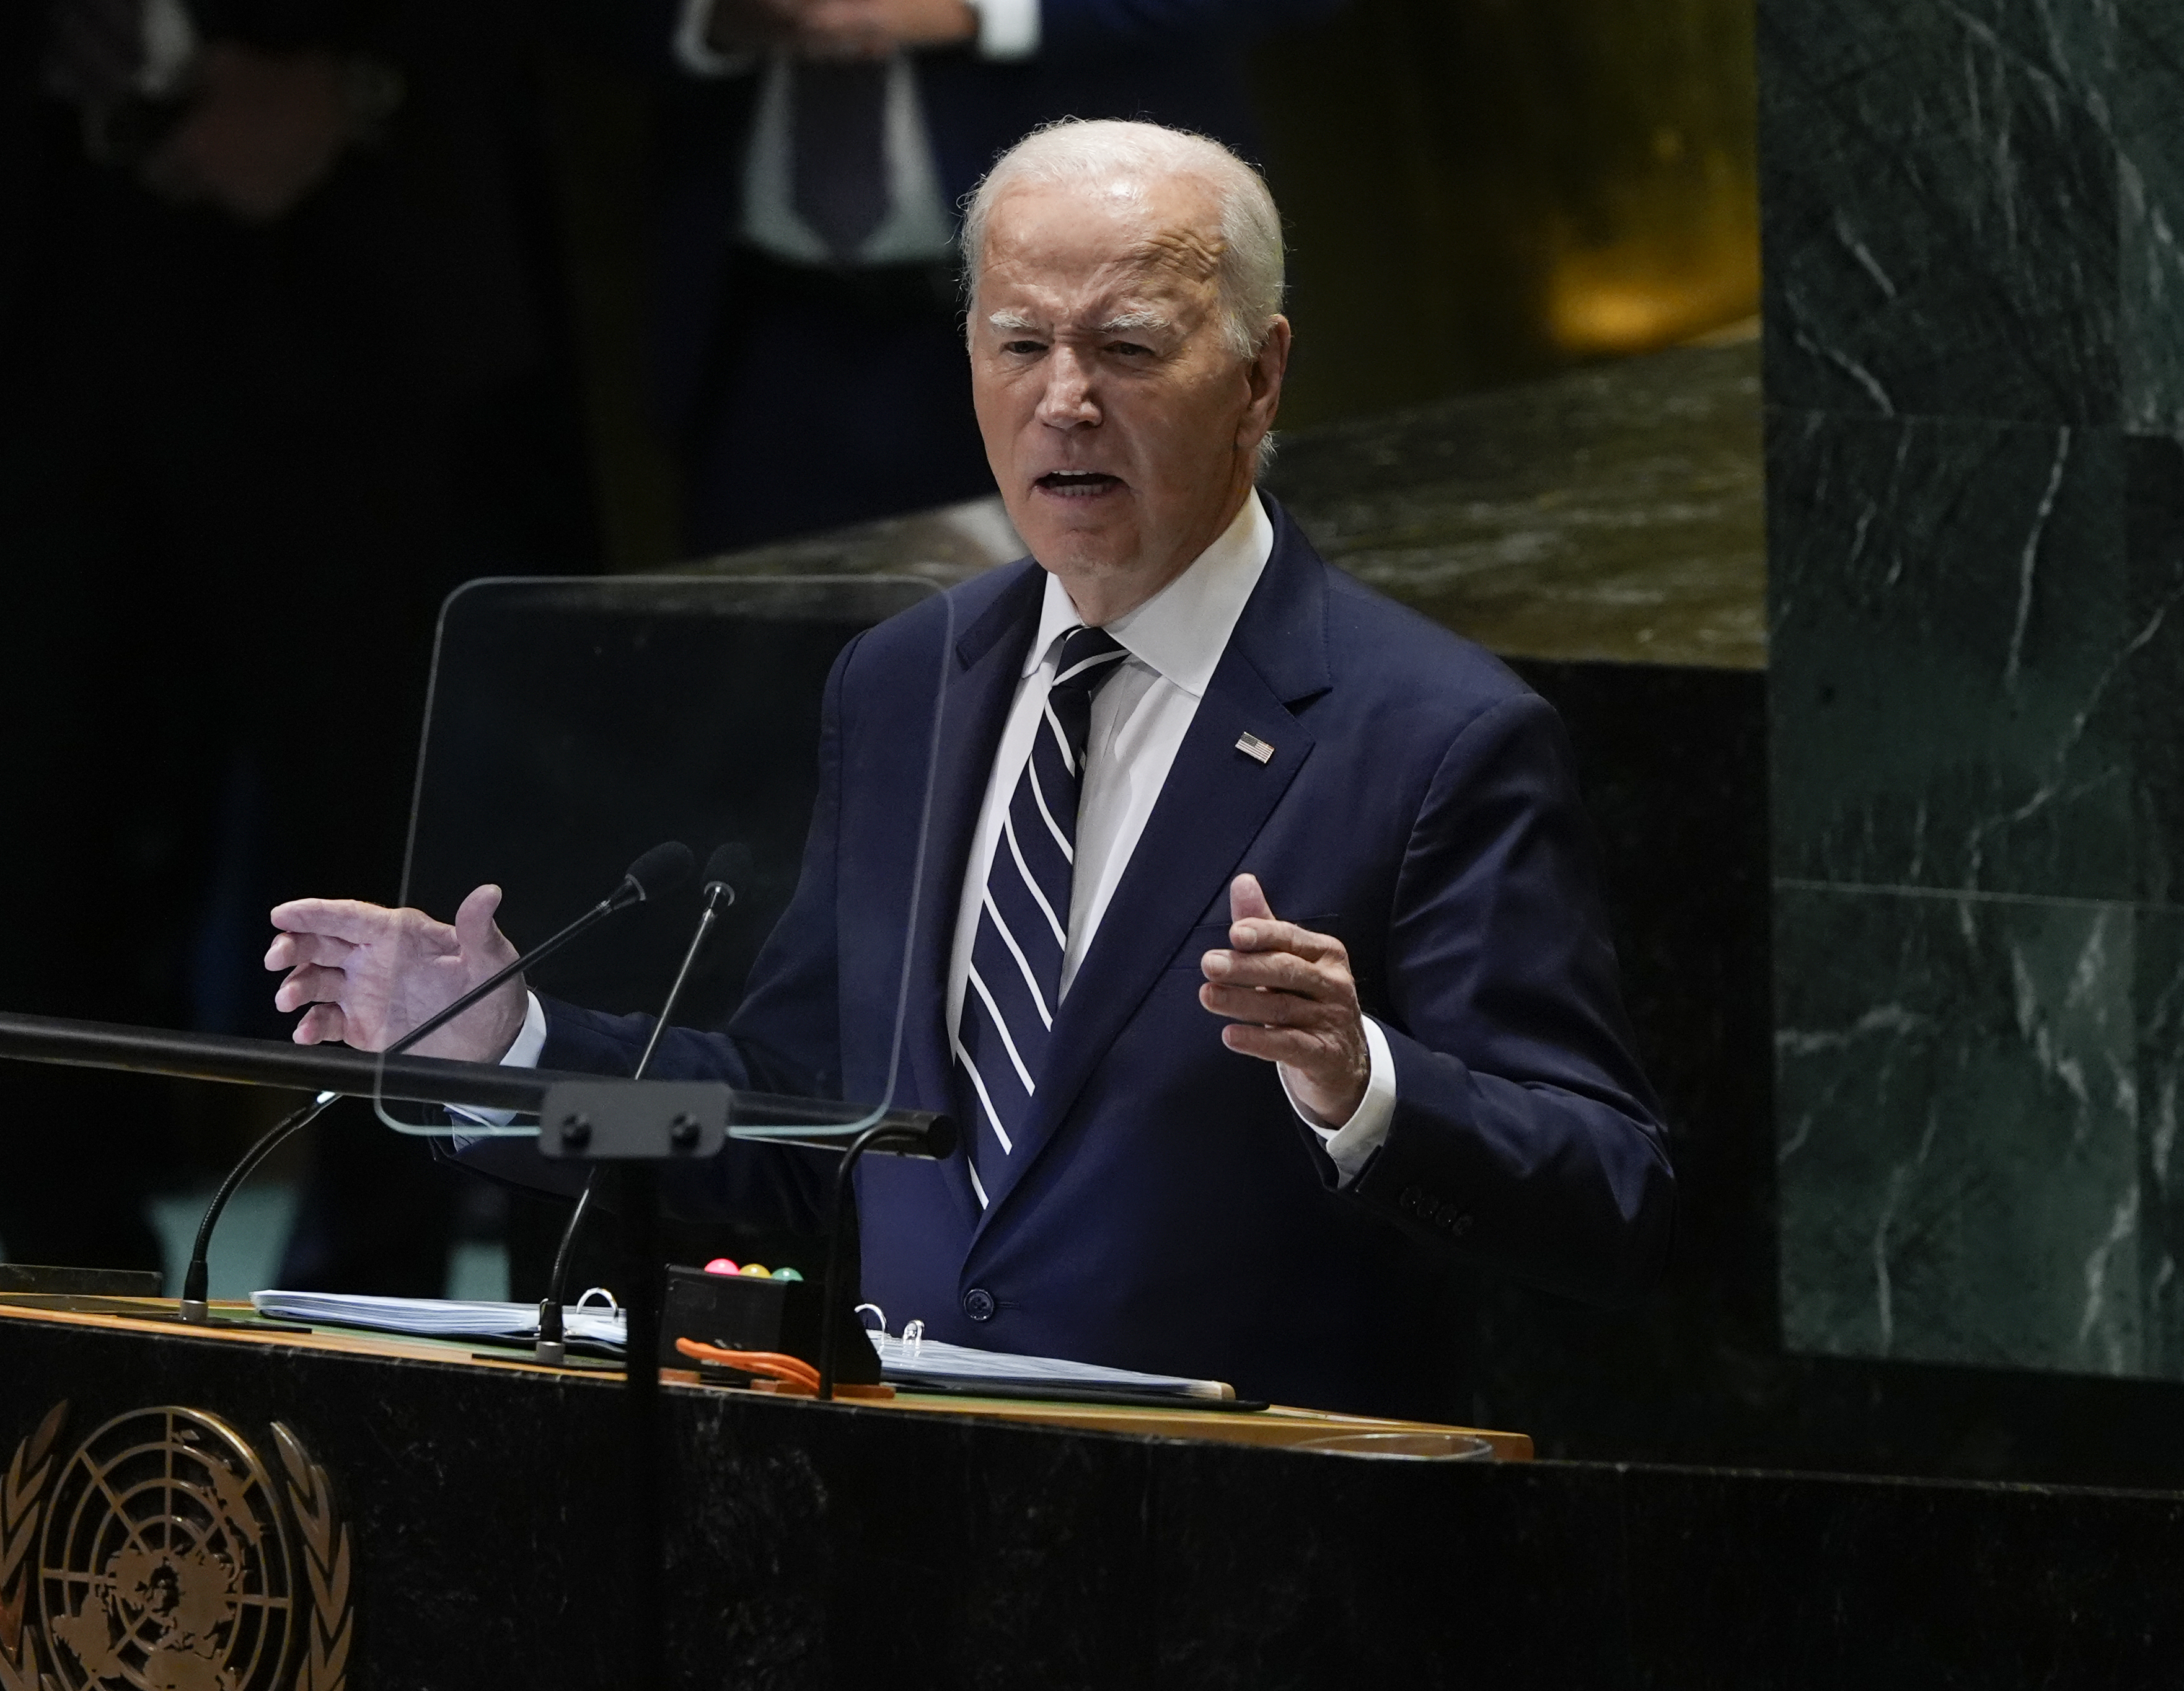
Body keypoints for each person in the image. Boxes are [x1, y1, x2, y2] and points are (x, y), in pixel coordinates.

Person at [265, 121, 1673, 1414]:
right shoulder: (901, 685)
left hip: (1251, 1555)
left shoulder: (1432, 734)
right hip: (916, 1525)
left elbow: (1607, 1187)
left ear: (1258, 377)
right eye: (1016, 345)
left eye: (1124, 347)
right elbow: (790, 1128)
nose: (1062, 401)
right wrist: (508, 1053)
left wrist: (1356, 1078)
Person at [0, 0, 597, 1287]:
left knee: (378, 827)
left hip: (341, 268)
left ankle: (380, 1306)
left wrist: (357, 74)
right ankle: (58, 1311)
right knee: (34, 840)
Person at [652, 0, 1342, 553]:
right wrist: (711, 15)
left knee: (1107, 649)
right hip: (771, 334)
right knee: (771, 665)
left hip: (1084, 328)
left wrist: (979, 10)